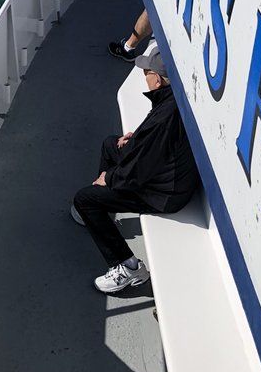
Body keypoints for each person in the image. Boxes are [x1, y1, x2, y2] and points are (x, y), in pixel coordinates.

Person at [72, 49, 200, 293]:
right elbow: (153, 147)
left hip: (164, 194)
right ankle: (106, 209)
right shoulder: (171, 99)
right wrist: (136, 138)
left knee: (85, 199)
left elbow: (140, 169)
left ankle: (129, 267)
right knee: (111, 144)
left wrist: (108, 179)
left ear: (158, 79)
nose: (144, 75)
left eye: (146, 72)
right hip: (166, 177)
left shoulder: (166, 115)